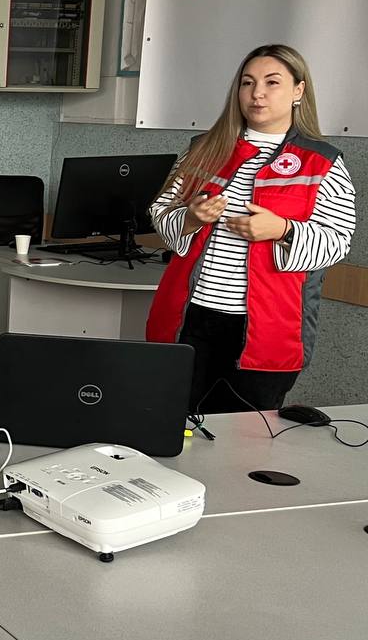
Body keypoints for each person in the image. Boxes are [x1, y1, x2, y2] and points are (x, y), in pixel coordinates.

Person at [147, 44, 356, 414]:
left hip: (267, 327)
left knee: (244, 438)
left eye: (272, 82)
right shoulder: (203, 149)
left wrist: (283, 229)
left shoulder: (322, 162)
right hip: (191, 318)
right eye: (248, 82)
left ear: (298, 91)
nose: (257, 93)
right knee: (170, 423)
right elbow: (161, 212)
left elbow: (337, 242)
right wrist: (191, 218)